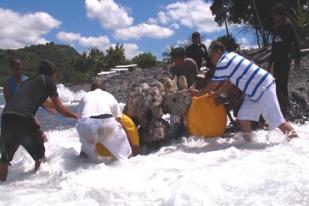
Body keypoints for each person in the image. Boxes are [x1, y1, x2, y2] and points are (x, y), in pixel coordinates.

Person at [191, 41, 298, 141]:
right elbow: (230, 81)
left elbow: (212, 86)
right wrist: (217, 93)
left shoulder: (223, 63)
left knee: (278, 122)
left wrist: (198, 93)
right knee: (243, 116)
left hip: (262, 87)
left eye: (211, 55)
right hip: (255, 91)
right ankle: (249, 147)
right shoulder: (231, 56)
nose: (211, 59)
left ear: (218, 52)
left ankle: (298, 145)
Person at [0, 60, 78, 182]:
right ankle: (38, 187)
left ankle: (3, 188)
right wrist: (76, 116)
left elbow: (30, 100)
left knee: (5, 159)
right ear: (52, 73)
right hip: (23, 117)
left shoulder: (27, 82)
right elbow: (59, 108)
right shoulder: (49, 81)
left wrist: (39, 114)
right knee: (40, 155)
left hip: (6, 116)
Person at [76, 80, 136, 162]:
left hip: (87, 125)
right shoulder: (110, 96)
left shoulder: (85, 96)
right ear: (104, 89)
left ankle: (83, 155)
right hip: (107, 123)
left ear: (91, 90)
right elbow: (120, 123)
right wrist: (132, 145)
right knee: (126, 157)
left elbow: (80, 119)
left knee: (84, 158)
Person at [3, 59, 49, 142]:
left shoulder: (28, 80)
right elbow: (8, 102)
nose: (19, 71)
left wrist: (47, 107)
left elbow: (35, 97)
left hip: (27, 111)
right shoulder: (7, 83)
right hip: (13, 112)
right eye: (16, 69)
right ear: (12, 69)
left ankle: (47, 144)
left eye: (20, 69)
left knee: (37, 126)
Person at [268, 3, 301, 118]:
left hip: (285, 61)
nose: (274, 18)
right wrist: (270, 63)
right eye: (274, 15)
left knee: (283, 86)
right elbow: (273, 47)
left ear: (282, 15)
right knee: (276, 86)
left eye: (276, 15)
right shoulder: (275, 29)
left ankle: (284, 113)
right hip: (276, 62)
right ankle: (280, 113)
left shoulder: (288, 27)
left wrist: (298, 58)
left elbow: (296, 42)